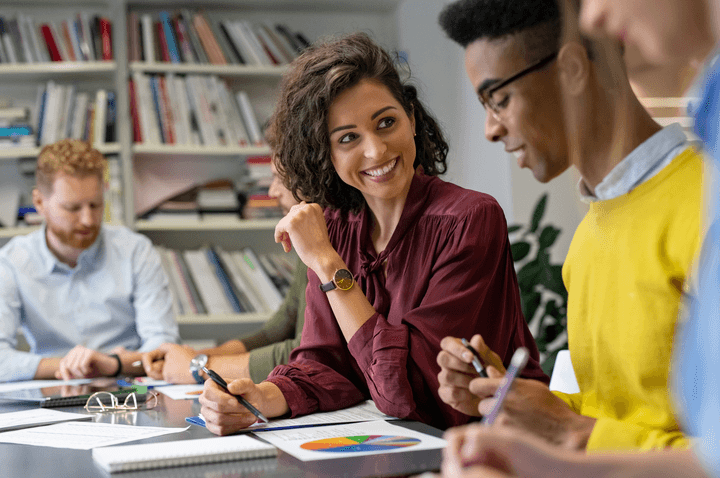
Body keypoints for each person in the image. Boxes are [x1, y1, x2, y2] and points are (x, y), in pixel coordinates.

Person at [198, 32, 549, 436]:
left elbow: (409, 391)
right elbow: (324, 365)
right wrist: (262, 399)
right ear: (325, 153)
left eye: (386, 123)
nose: (377, 151)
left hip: (492, 448)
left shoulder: (470, 219)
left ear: (412, 120)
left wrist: (328, 264)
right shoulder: (336, 226)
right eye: (348, 138)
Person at [431, 0, 720, 476]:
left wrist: (573, 432)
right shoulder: (590, 235)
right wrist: (520, 402)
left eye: (497, 99)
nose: (489, 129)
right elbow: (618, 411)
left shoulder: (705, 206)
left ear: (569, 68)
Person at [0, 139, 179, 382]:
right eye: (72, 208)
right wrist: (69, 365)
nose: (87, 219)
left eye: (95, 205)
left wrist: (112, 364)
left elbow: (163, 347)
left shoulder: (135, 251)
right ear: (40, 203)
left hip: (127, 385)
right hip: (51, 389)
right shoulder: (11, 262)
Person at [141, 159, 309, 384]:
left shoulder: (322, 240)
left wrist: (199, 367)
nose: (271, 191)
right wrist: (200, 357)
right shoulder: (305, 237)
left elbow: (306, 351)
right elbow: (275, 330)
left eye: (280, 178)